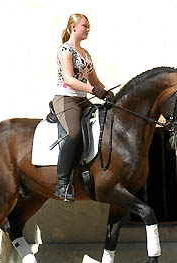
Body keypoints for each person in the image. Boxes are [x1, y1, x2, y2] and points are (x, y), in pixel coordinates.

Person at [53, 13, 114, 201]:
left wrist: (108, 93)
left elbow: (95, 80)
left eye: (88, 26)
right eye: (85, 26)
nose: (88, 29)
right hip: (66, 99)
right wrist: (94, 90)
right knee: (74, 133)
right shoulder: (66, 50)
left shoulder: (86, 54)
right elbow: (69, 80)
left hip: (82, 99)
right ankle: (62, 184)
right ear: (73, 28)